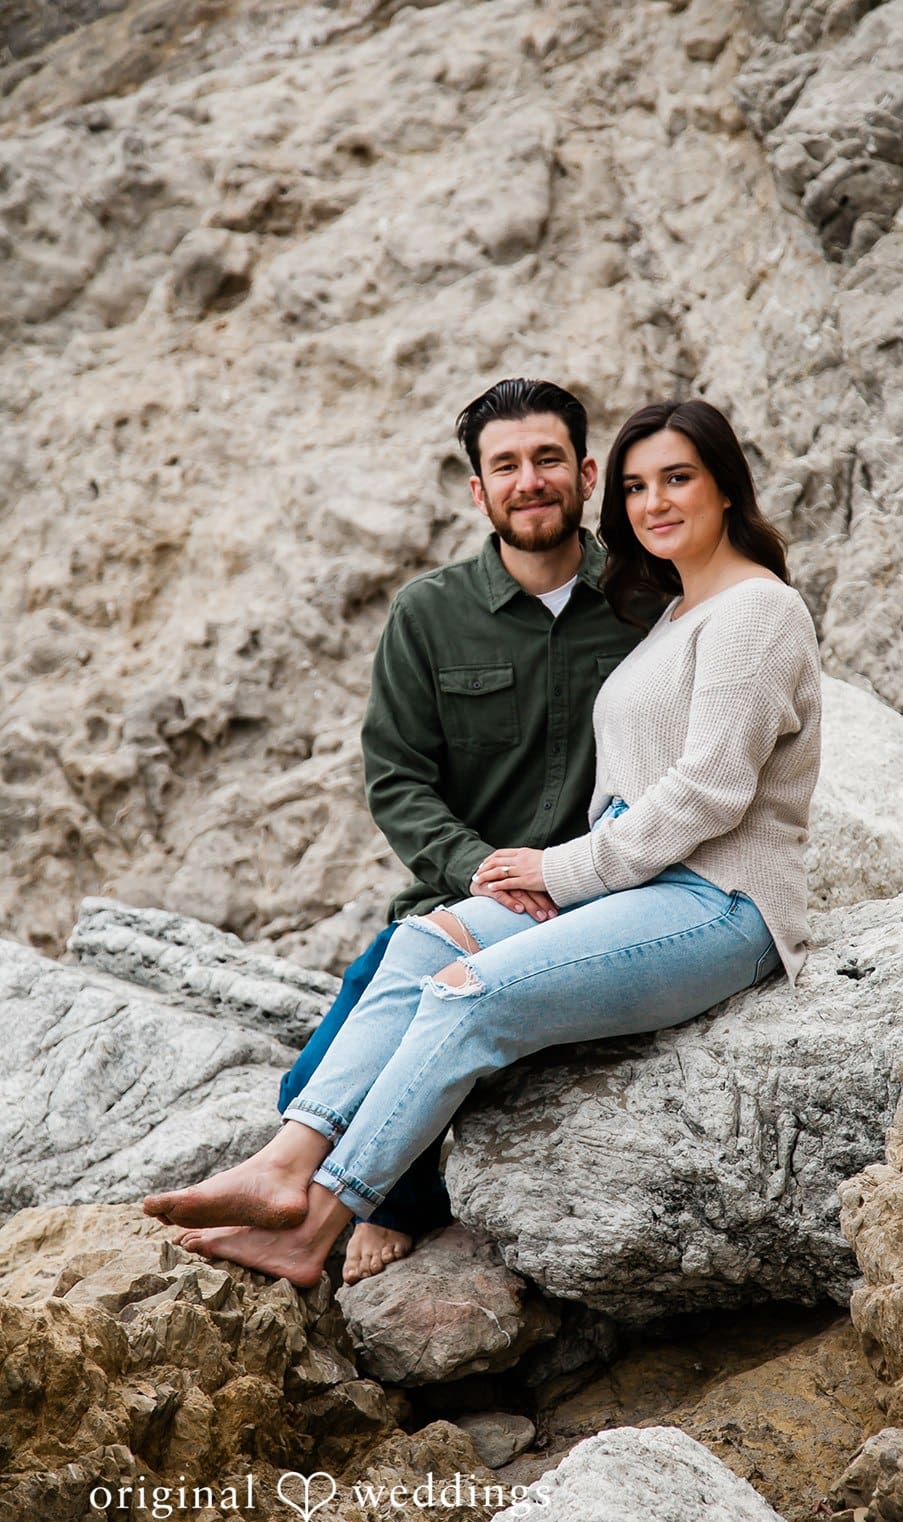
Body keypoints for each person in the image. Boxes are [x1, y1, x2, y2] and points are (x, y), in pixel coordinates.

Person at [144, 398, 823, 1288]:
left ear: (725, 487)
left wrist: (564, 871)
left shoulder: (750, 612)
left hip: (716, 897)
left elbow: (707, 791)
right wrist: (532, 878)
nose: (654, 502)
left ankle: (319, 1222)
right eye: (637, 486)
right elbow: (399, 778)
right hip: (619, 884)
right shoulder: (666, 607)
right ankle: (281, 1168)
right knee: (424, 942)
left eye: (676, 479)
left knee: (467, 997)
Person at [256, 378, 644, 1281]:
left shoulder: (646, 602)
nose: (529, 480)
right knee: (306, 1093)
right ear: (478, 490)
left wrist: (577, 873)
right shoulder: (427, 616)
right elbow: (398, 779)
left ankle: (393, 1202)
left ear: (584, 473)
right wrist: (481, 870)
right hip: (461, 899)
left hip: (603, 893)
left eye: (548, 459)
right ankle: (377, 1200)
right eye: (504, 465)